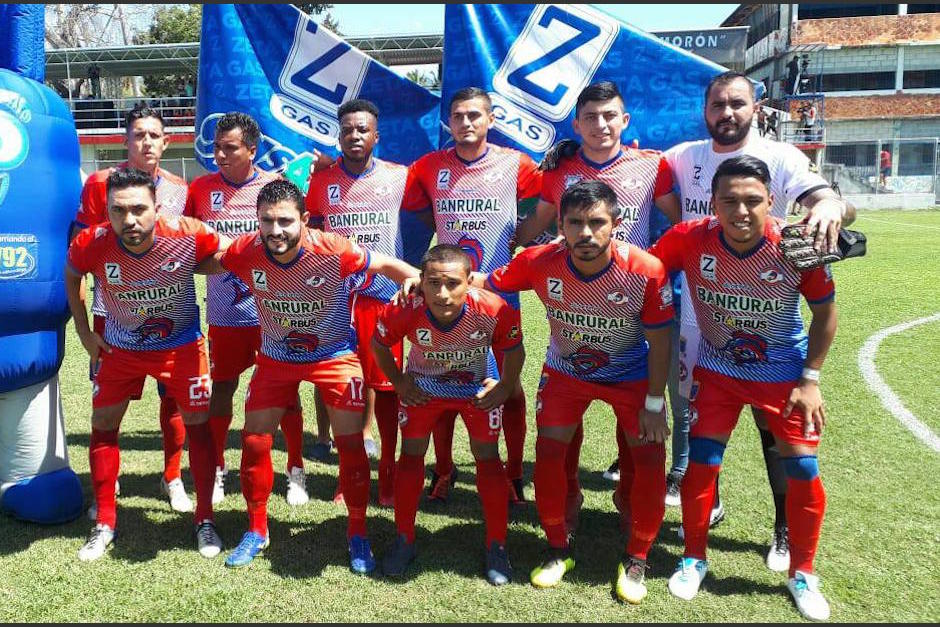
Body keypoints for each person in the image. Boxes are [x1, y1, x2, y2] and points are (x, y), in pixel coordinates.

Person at [662, 70, 854, 573]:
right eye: (718, 105)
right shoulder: (684, 156)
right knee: (694, 416)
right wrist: (568, 153)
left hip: (768, 320)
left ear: (756, 107)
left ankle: (785, 528)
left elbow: (828, 204)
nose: (727, 113)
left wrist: (833, 205)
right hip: (698, 317)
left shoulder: (784, 158)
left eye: (738, 104)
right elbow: (630, 172)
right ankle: (707, 502)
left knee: (777, 435)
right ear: (705, 110)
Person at [651, 156, 837, 621]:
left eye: (753, 200)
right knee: (701, 465)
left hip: (782, 376)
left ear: (771, 202)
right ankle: (694, 557)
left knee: (804, 470)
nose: (741, 211)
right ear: (712, 203)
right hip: (717, 371)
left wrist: (810, 379)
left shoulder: (795, 245)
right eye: (729, 200)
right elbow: (644, 271)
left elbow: (826, 315)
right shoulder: (689, 238)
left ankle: (803, 572)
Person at [208, 180, 419, 571]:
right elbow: (213, 262)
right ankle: (257, 529)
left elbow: (387, 264)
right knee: (254, 441)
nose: (276, 231)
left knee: (351, 444)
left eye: (285, 221)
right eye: (267, 221)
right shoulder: (248, 250)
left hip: (334, 355)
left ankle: (357, 532)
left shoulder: (333, 248)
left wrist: (412, 276)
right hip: (275, 357)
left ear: (304, 219)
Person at [481, 180, 673, 604]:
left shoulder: (646, 270)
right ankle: (557, 548)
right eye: (575, 223)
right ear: (561, 227)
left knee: (649, 457)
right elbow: (483, 280)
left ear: (616, 224)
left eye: (596, 222)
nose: (586, 233)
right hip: (566, 374)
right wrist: (422, 281)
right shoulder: (539, 260)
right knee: (548, 454)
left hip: (631, 376)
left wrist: (655, 404)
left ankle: (638, 555)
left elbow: (661, 342)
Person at [514, 80, 679, 529]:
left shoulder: (652, 165)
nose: (601, 124)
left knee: (639, 417)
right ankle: (568, 502)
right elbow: (541, 220)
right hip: (576, 297)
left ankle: (632, 503)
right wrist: (505, 250)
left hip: (633, 303)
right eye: (591, 117)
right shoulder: (560, 168)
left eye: (610, 116)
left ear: (625, 121)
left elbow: (681, 219)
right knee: (569, 405)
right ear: (577, 123)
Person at [65, 168, 224, 562]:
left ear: (157, 207)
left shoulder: (187, 231)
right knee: (103, 427)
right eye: (119, 211)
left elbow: (230, 254)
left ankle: (205, 518)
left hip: (182, 348)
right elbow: (72, 276)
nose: (130, 220)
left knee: (199, 430)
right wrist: (85, 333)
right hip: (120, 348)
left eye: (139, 209)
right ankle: (104, 522)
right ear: (107, 211)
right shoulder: (93, 241)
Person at [406, 87, 543, 503]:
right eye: (459, 116)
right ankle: (443, 471)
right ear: (449, 122)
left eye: (474, 116)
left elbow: (545, 205)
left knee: (510, 385)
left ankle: (515, 471)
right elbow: (423, 211)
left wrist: (518, 240)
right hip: (447, 296)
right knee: (442, 380)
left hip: (499, 296)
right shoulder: (428, 168)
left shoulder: (515, 163)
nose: (466, 123)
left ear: (491, 120)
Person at [305, 98, 430, 507]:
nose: (355, 136)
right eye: (347, 130)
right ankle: (349, 476)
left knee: (389, 389)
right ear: (338, 135)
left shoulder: (401, 176)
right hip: (337, 301)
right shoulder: (321, 181)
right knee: (344, 387)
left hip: (383, 299)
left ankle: (390, 477)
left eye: (363, 130)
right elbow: (314, 235)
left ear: (376, 136)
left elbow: (435, 210)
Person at [375, 244, 524, 585]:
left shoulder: (493, 308)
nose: (442, 294)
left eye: (453, 284)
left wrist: (503, 386)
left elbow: (514, 349)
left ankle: (496, 545)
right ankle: (404, 538)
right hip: (423, 388)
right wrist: (399, 381)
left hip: (475, 388)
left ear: (470, 281)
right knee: (411, 453)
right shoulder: (404, 307)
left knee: (487, 456)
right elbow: (379, 344)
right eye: (433, 283)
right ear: (421, 281)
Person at [72, 104, 192, 517]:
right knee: (107, 402)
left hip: (167, 314)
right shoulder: (100, 184)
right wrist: (86, 328)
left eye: (153, 135)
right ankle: (109, 481)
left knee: (173, 397)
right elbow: (85, 249)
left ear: (166, 141)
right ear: (126, 141)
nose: (146, 142)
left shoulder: (180, 189)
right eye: (138, 134)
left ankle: (172, 475)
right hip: (112, 310)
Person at [185, 112, 308, 507]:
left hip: (275, 314)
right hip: (224, 314)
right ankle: (219, 467)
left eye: (230, 147)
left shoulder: (277, 187)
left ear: (251, 150)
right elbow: (192, 243)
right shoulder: (202, 189)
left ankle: (295, 469)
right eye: (216, 147)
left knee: (287, 392)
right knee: (222, 388)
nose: (219, 154)